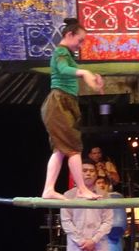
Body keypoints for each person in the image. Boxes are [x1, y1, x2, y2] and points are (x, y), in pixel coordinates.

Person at [40, 18, 104, 200]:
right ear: (69, 35)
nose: (80, 45)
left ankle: (48, 189)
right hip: (59, 103)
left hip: (64, 102)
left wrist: (96, 85)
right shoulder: (60, 52)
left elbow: (82, 77)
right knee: (74, 148)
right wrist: (84, 72)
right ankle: (82, 189)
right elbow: (63, 69)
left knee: (60, 150)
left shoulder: (68, 55)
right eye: (80, 40)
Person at [95, 174, 126, 251]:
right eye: (99, 183)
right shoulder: (90, 199)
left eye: (104, 183)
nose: (102, 185)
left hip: (111, 244)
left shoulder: (115, 197)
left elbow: (117, 227)